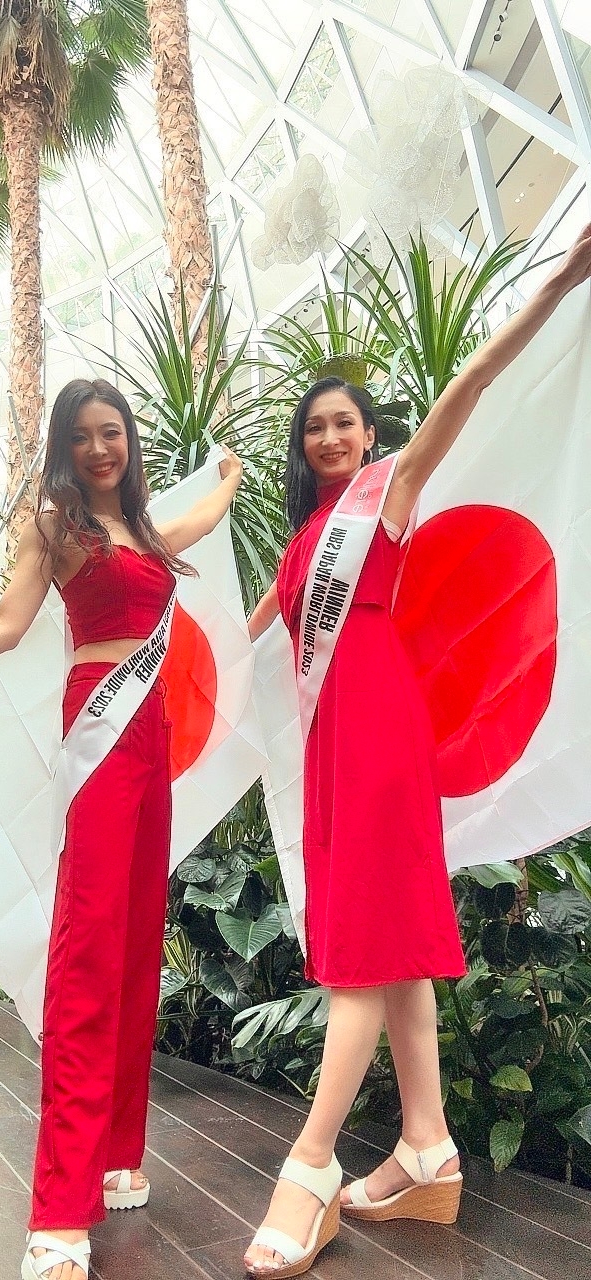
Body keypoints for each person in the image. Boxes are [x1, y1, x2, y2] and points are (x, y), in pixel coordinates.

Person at [244, 223, 591, 1279]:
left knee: (363, 941)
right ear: (302, 446)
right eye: (314, 427)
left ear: (369, 435)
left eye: (344, 422)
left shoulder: (385, 498)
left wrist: (559, 283)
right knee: (389, 938)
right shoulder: (300, 545)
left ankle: (309, 1166)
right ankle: (428, 1146)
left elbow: (471, 382)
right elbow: (242, 637)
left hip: (383, 735)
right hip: (332, 746)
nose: (330, 437)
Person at [0, 378, 243, 1280]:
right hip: (101, 731)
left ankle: (118, 1155)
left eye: (112, 433)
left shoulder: (146, 530)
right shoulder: (56, 525)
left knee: (136, 944)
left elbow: (195, 523)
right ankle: (59, 1211)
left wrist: (228, 480)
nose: (100, 449)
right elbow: (5, 627)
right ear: (63, 446)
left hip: (153, 734)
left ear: (130, 441)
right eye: (82, 436)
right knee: (87, 951)